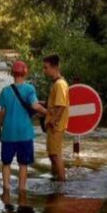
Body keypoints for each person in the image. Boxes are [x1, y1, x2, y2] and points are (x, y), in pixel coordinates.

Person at [0, 61, 47, 191]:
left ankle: (6, 189)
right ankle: (22, 190)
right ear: (25, 73)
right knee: (23, 164)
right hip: (25, 134)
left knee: (6, 163)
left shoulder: (5, 91)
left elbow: (2, 112)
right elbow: (35, 106)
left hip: (8, 134)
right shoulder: (29, 89)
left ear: (12, 74)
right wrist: (49, 113)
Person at [43, 54, 70, 182]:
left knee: (55, 154)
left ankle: (61, 181)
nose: (44, 70)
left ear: (55, 67)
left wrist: (53, 121)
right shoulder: (57, 83)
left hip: (55, 126)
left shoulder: (59, 84)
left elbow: (61, 106)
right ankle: (56, 179)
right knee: (52, 154)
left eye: (46, 67)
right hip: (53, 124)